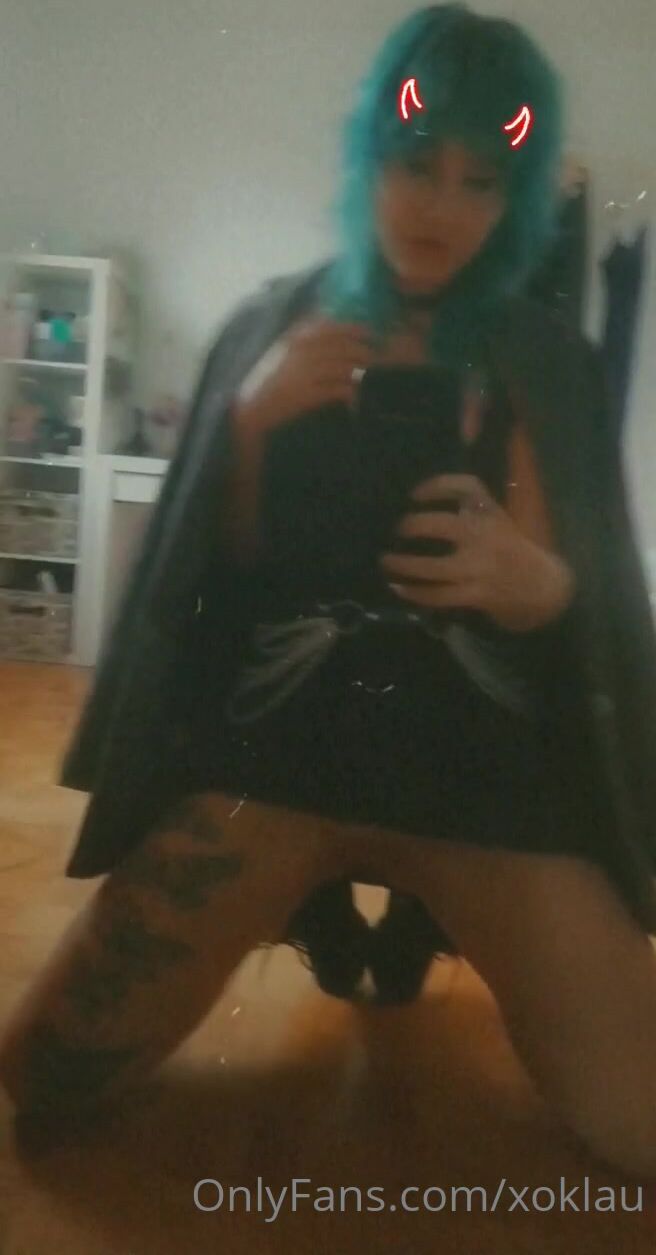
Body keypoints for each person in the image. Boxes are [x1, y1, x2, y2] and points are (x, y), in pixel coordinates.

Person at [3, 2, 656, 1178]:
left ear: (513, 202)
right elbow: (203, 589)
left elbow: (589, 607)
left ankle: (419, 912)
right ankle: (313, 904)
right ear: (370, 158)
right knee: (47, 1075)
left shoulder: (543, 362)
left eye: (479, 180)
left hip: (482, 779)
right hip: (276, 757)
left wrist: (537, 581)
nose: (438, 206)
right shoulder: (271, 325)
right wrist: (248, 424)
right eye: (415, 163)